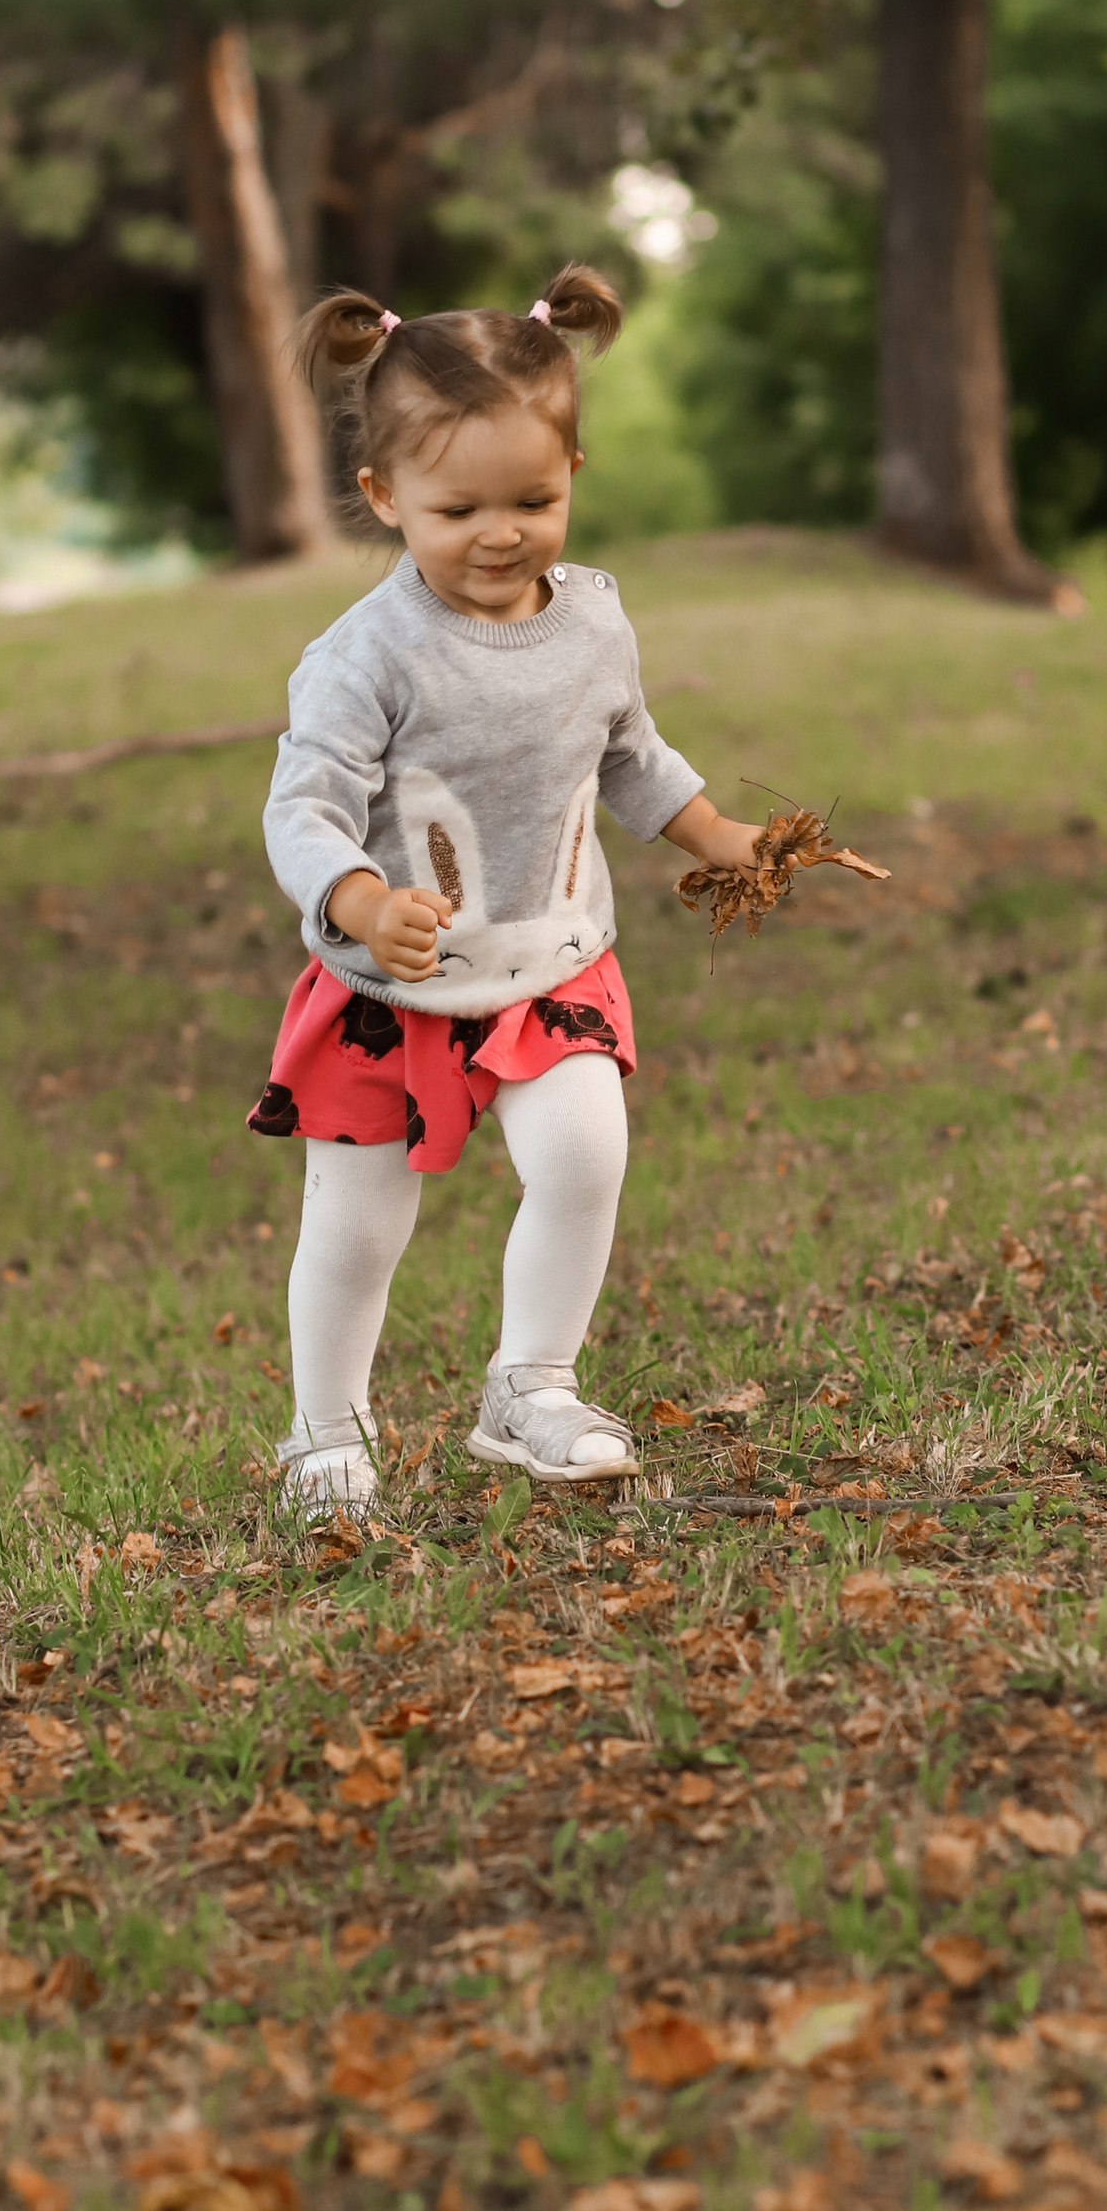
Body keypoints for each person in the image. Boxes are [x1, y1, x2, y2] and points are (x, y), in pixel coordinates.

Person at [249, 263, 761, 1521]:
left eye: (534, 499)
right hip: (393, 984)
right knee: (358, 1224)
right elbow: (303, 809)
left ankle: (531, 1386)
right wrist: (358, 901)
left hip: (551, 958)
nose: (500, 533)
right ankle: (326, 1434)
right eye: (457, 506)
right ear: (384, 496)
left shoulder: (592, 623)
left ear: (573, 472)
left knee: (585, 1154)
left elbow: (628, 754)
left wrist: (714, 835)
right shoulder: (364, 657)